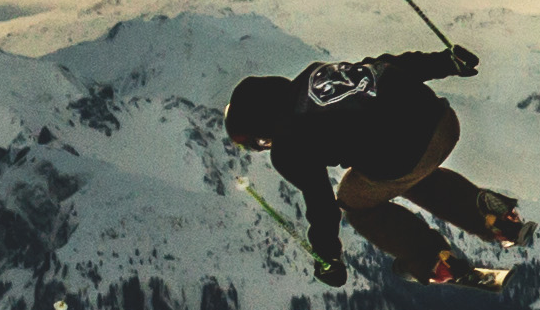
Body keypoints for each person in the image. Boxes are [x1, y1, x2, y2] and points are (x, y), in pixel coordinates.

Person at [222, 48, 521, 284]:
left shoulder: (287, 143)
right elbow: (384, 66)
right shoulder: (318, 74)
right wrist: (446, 62)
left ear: (261, 125)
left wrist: (329, 258)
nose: (264, 145)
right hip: (441, 121)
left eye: (257, 140)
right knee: (403, 177)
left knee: (356, 200)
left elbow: (322, 204)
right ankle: (489, 215)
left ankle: (432, 259)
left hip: (402, 153)